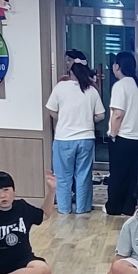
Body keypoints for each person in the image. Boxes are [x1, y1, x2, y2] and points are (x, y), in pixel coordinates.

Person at [45, 61, 104, 215]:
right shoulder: (91, 90)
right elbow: (100, 115)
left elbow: (51, 109)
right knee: (83, 175)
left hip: (64, 138)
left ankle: (64, 209)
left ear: (70, 73)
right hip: (86, 138)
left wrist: (62, 118)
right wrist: (88, 119)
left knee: (63, 177)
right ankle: (82, 208)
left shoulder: (60, 87)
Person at [106, 51, 138, 216]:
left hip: (122, 138)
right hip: (137, 139)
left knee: (117, 175)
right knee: (131, 175)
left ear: (118, 66)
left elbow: (117, 114)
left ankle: (114, 208)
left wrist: (112, 135)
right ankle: (128, 208)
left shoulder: (120, 85)